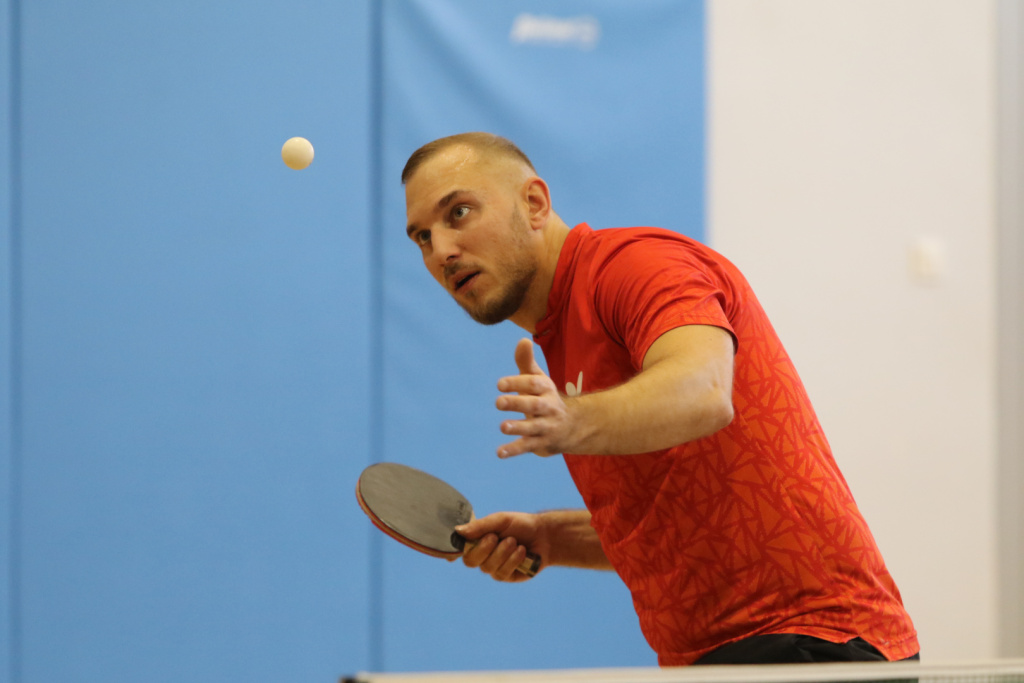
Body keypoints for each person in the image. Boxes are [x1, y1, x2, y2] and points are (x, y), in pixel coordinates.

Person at [401, 132, 919, 666]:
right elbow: (674, 522)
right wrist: (551, 539)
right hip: (709, 659)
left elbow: (706, 391)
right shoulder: (561, 334)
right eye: (422, 237)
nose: (441, 251)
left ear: (534, 203)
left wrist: (571, 421)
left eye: (459, 212)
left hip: (812, 640)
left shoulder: (636, 266)